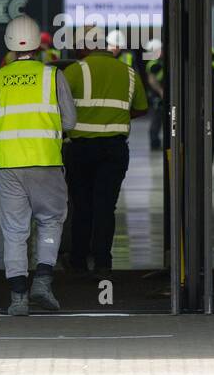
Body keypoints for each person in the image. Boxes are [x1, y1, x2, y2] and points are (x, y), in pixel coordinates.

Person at [0, 14, 77, 316]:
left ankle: (18, 298)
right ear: (38, 44)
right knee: (50, 220)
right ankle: (43, 281)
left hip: (8, 165)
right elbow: (70, 120)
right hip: (46, 161)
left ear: (9, 45)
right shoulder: (52, 76)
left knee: (14, 231)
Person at [63, 25, 150, 274]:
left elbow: (57, 106)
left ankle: (78, 261)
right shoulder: (129, 72)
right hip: (114, 149)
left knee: (81, 206)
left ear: (83, 46)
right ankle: (102, 262)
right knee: (105, 206)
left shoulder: (73, 71)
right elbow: (142, 108)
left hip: (80, 149)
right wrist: (115, 117)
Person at [143, 38, 167, 151]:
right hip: (157, 96)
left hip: (160, 95)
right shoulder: (153, 65)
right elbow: (153, 82)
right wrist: (161, 92)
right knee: (156, 120)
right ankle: (155, 143)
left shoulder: (160, 62)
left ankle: (158, 142)